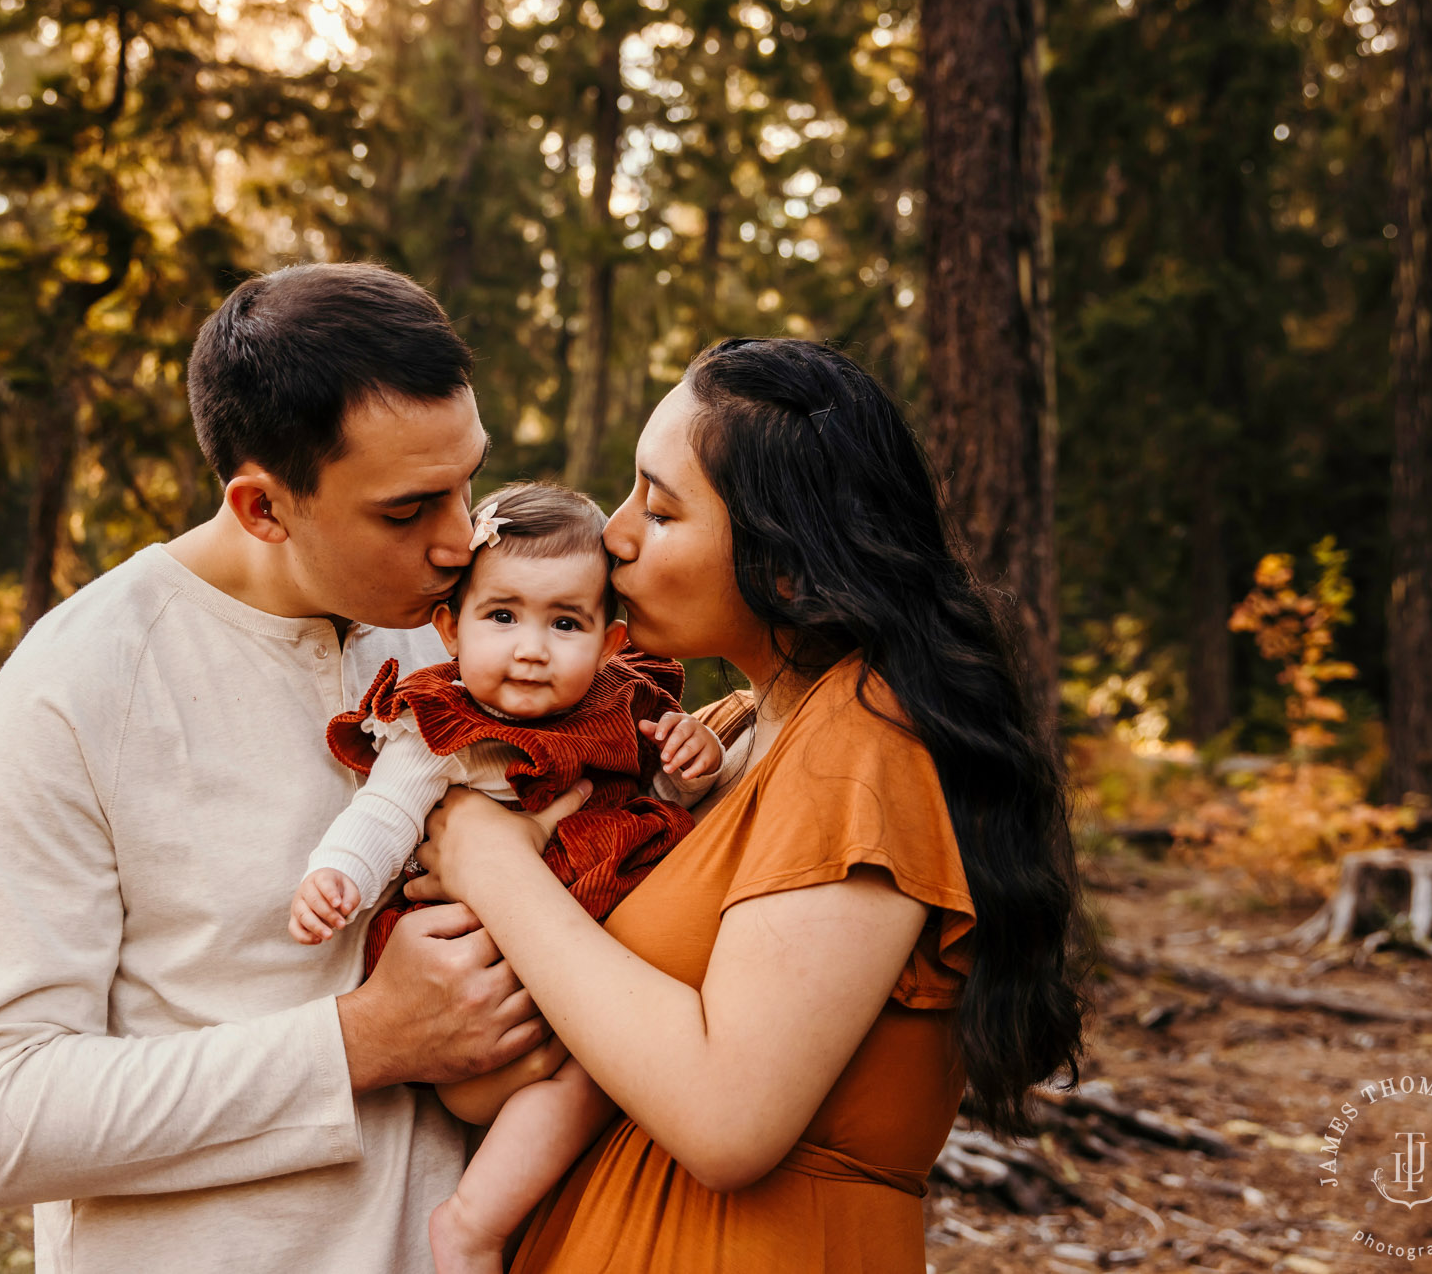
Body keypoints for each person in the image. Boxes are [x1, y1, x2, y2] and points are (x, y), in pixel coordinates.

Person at [0, 263, 571, 1273]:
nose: (459, 541)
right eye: (407, 511)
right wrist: (362, 1040)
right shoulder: (78, 685)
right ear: (263, 508)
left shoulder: (467, 643)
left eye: (467, 481)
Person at [407, 337, 1091, 1273]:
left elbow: (730, 1117)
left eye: (661, 507)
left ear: (786, 562)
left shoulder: (863, 745)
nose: (614, 535)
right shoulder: (730, 728)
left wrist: (493, 863)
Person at [285, 481, 723, 1273]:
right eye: (502, 616)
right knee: (603, 1070)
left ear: (611, 639)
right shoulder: (444, 728)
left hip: (581, 987)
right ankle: (473, 1228)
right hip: (483, 1004)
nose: (531, 647)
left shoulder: (622, 708)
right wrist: (337, 875)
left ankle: (513, 1227)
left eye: (565, 623)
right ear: (449, 628)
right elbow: (384, 815)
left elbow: (663, 804)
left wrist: (688, 770)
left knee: (622, 1063)